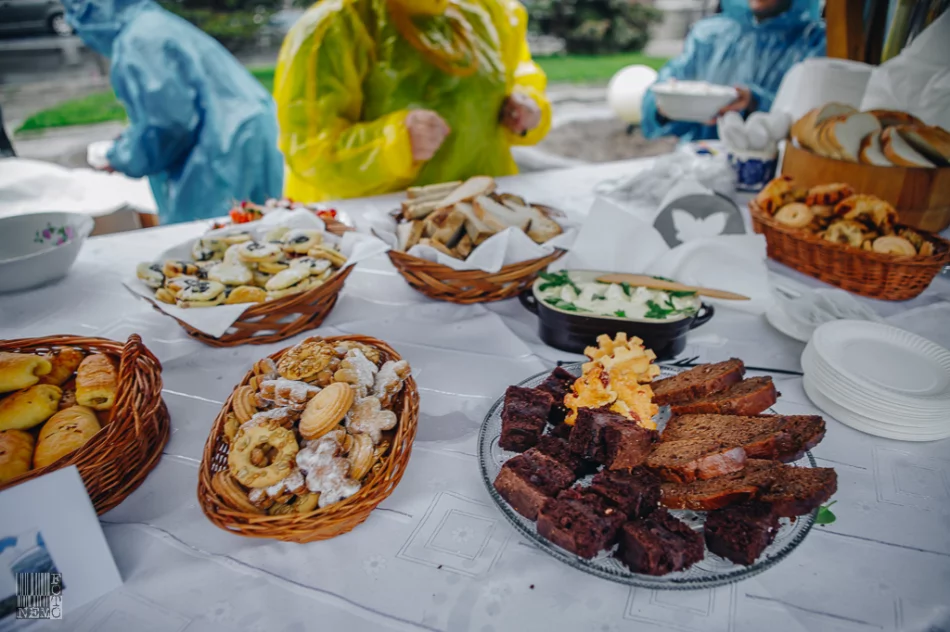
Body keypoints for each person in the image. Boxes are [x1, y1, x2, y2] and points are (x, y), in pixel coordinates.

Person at [274, 0, 552, 202]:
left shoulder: (492, 11)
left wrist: (529, 110)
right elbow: (309, 151)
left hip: (486, 220)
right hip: (373, 239)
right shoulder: (331, 26)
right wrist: (395, 144)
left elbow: (521, 76)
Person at [63, 0, 284, 224]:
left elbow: (167, 126)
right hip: (245, 135)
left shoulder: (140, 40)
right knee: (260, 236)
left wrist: (122, 156)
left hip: (220, 152)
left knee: (212, 241)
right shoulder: (155, 24)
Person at [641, 0, 826, 141]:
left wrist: (756, 103)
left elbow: (815, 120)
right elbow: (657, 98)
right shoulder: (710, 35)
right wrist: (667, 107)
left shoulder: (816, 42)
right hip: (700, 170)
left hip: (778, 176)